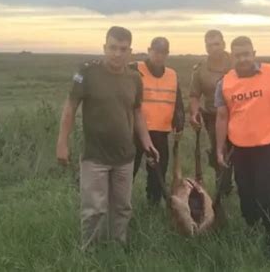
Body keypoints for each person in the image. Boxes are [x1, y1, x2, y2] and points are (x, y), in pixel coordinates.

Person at [56, 26, 159, 250]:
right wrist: (62, 142)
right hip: (95, 156)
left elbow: (138, 112)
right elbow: (70, 108)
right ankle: (90, 253)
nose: (117, 54)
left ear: (130, 51)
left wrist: (147, 143)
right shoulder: (87, 74)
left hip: (125, 156)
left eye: (123, 49)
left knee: (122, 207)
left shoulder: (134, 78)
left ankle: (117, 249)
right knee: (94, 209)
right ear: (104, 47)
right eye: (112, 48)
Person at [215, 36, 270, 258]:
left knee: (266, 191)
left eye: (246, 54)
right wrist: (219, 148)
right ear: (232, 56)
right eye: (238, 55)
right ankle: (251, 225)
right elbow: (222, 117)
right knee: (245, 191)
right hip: (239, 148)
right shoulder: (225, 82)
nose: (243, 59)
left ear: (254, 53)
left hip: (267, 145)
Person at [130, 37, 185, 206]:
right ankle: (120, 202)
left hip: (161, 131)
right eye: (156, 51)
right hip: (135, 131)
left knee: (159, 172)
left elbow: (178, 101)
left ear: (167, 54)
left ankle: (153, 204)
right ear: (149, 50)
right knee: (128, 170)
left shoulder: (172, 74)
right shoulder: (133, 69)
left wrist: (179, 119)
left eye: (163, 52)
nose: (159, 56)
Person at [189, 29, 233, 195]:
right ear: (206, 47)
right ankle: (223, 190)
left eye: (217, 44)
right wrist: (194, 113)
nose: (214, 48)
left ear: (223, 44)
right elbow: (194, 95)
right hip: (213, 117)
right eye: (209, 45)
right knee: (219, 152)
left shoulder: (236, 62)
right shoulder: (200, 69)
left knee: (241, 154)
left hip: (238, 116)